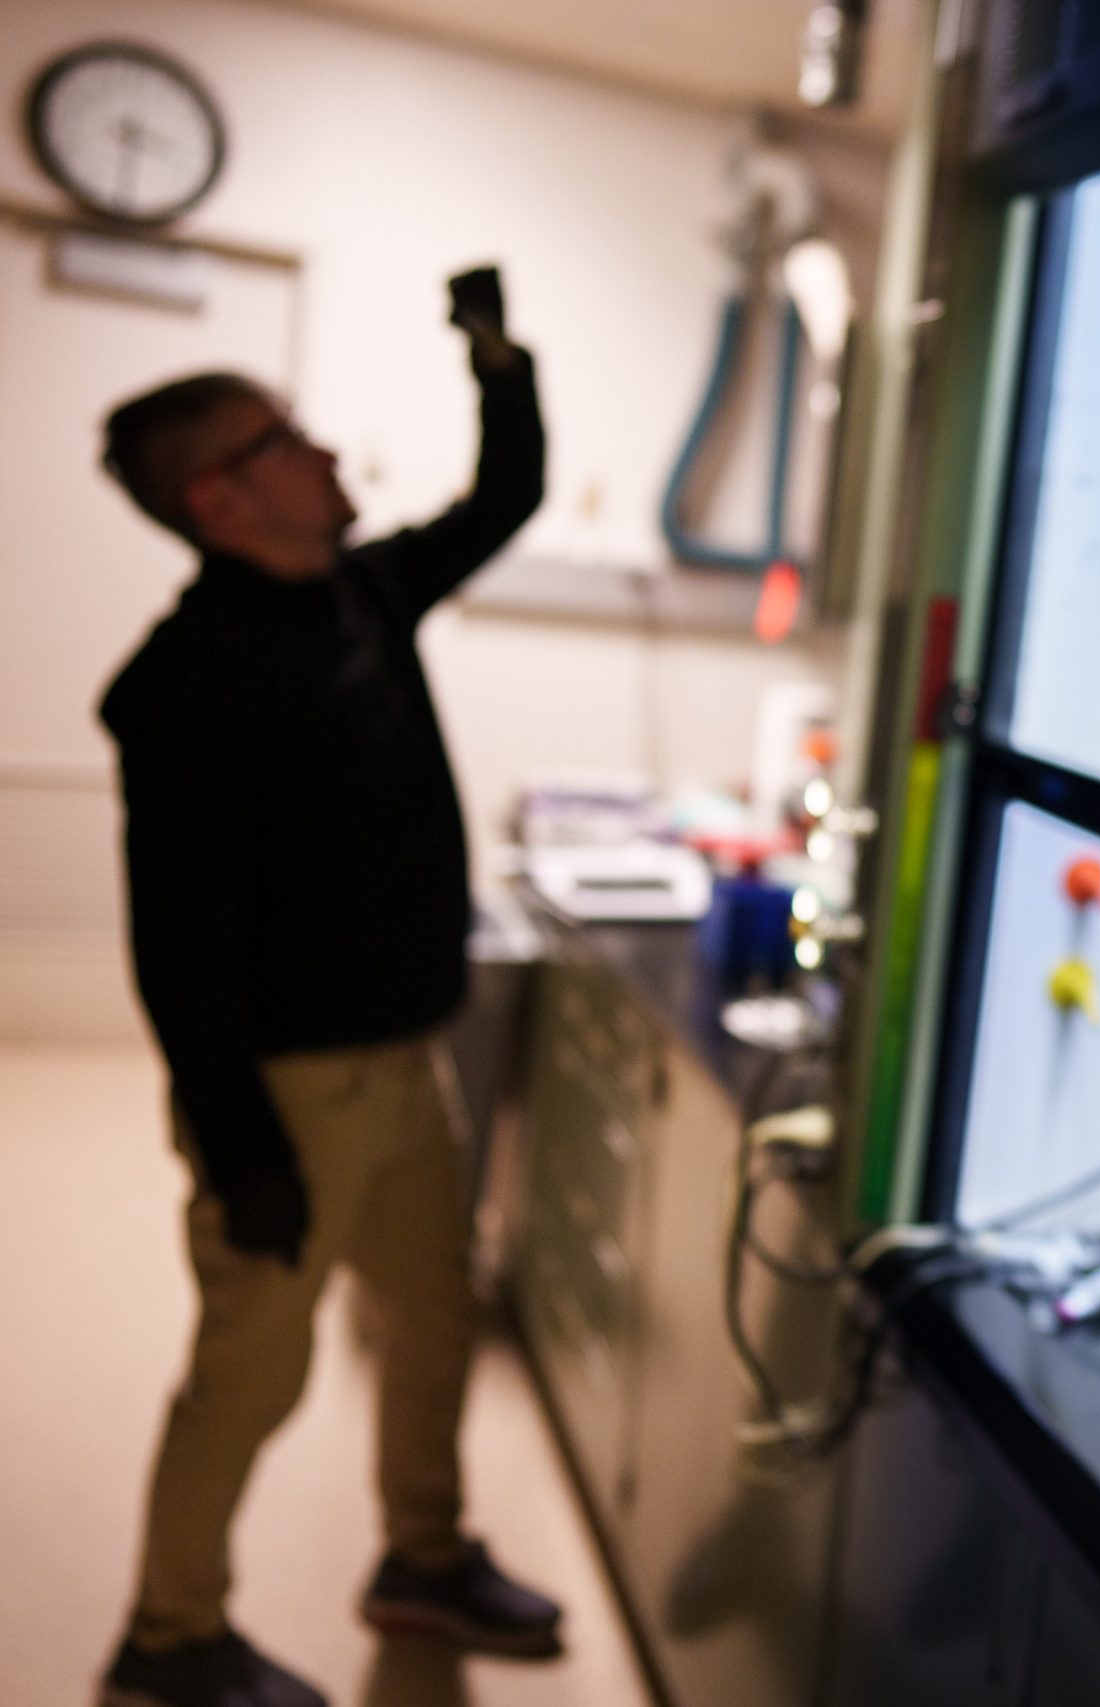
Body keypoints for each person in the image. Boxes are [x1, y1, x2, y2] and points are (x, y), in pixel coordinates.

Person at [93, 277, 561, 1707]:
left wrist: (497, 362)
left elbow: (505, 499)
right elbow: (177, 948)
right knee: (251, 1372)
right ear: (219, 500)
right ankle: (170, 1635)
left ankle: (423, 1556)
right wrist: (243, 1152)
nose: (327, 453)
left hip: (406, 1064)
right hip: (289, 1091)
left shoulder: (361, 590)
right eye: (285, 440)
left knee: (433, 1320)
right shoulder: (186, 685)